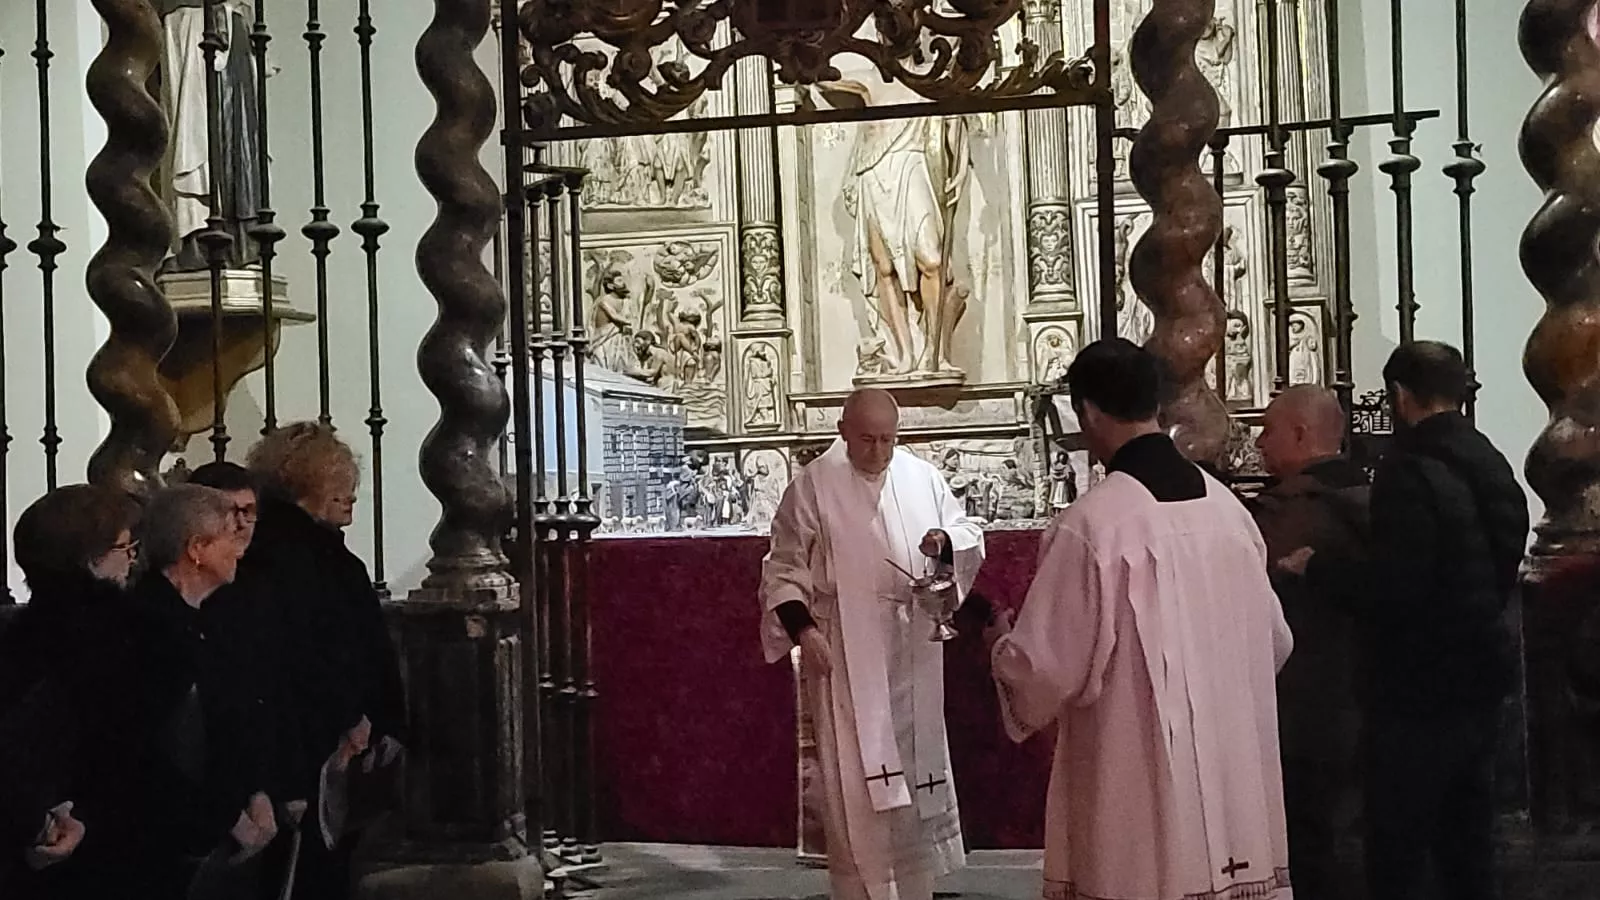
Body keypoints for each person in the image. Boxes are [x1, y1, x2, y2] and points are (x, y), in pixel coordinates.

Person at [984, 338, 1293, 900]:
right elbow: (1275, 643)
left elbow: (1045, 671)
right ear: (1156, 405)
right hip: (1231, 772)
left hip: (1137, 775)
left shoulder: (1095, 524)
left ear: (1088, 412)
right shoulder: (1228, 511)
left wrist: (1001, 646)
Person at [1283, 341, 1528, 900]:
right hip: (1482, 673)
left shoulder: (1408, 468)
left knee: (1399, 847)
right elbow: (1502, 553)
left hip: (1418, 688)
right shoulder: (1489, 459)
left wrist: (1318, 567)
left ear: (1398, 395)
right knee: (1469, 842)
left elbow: (1397, 586)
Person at [759, 388, 985, 900]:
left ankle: (915, 885)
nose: (880, 451)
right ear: (842, 431)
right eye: (867, 439)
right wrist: (805, 631)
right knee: (856, 771)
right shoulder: (814, 486)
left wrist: (944, 543)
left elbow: (966, 530)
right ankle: (862, 888)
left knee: (915, 761)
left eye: (888, 439)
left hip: (914, 642)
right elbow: (783, 569)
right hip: (843, 646)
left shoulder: (920, 476)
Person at [246, 422, 405, 900]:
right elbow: (307, 648)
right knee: (309, 869)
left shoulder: (315, 550)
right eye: (336, 482)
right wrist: (351, 716)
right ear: (300, 481)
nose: (351, 495)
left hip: (337, 731)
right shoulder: (291, 556)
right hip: (313, 736)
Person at [1249, 385, 1370, 900]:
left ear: (1301, 434)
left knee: (1307, 838)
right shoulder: (1376, 498)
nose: (1258, 442)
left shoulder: (1288, 512)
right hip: (1366, 693)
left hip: (1302, 699)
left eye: (1268, 430)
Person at [0, 485, 139, 899]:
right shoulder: (112, 642)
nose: (132, 559)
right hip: (79, 841)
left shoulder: (18, 635)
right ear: (91, 561)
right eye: (124, 548)